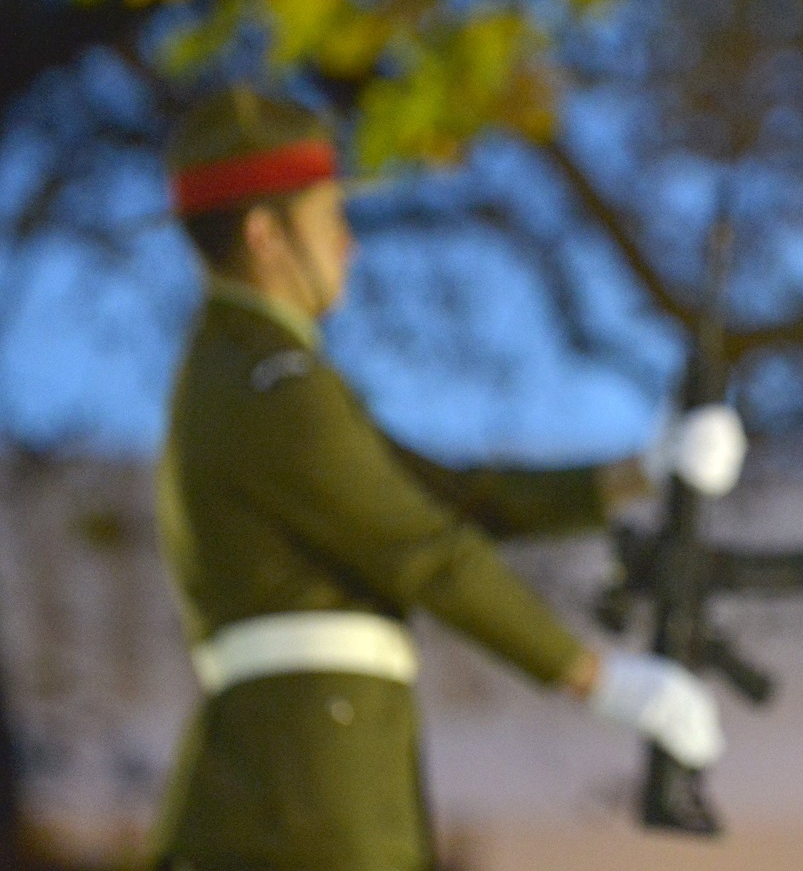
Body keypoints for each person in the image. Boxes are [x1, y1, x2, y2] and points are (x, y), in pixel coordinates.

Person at [150, 87, 744, 871]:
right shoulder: (273, 386)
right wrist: (601, 680)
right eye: (329, 220)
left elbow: (445, 497)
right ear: (265, 234)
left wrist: (641, 470)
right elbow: (424, 547)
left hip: (310, 763)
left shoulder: (254, 377)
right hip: (304, 791)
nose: (347, 247)